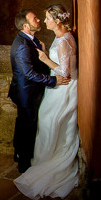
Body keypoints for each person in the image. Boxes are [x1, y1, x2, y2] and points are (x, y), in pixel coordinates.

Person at [15, 4, 81, 200]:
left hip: (63, 87)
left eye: (47, 18)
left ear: (57, 21)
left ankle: (52, 162)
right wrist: (46, 51)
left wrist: (44, 58)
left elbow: (65, 72)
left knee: (50, 122)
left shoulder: (64, 40)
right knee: (47, 122)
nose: (44, 21)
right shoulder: (62, 37)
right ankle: (44, 159)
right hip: (58, 86)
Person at [9, 9, 65, 173]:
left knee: (25, 124)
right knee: (27, 126)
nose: (39, 20)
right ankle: (24, 163)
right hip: (26, 93)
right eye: (34, 19)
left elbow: (37, 63)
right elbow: (29, 74)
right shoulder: (22, 45)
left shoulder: (30, 40)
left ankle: (19, 155)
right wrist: (53, 80)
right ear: (26, 26)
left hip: (29, 91)